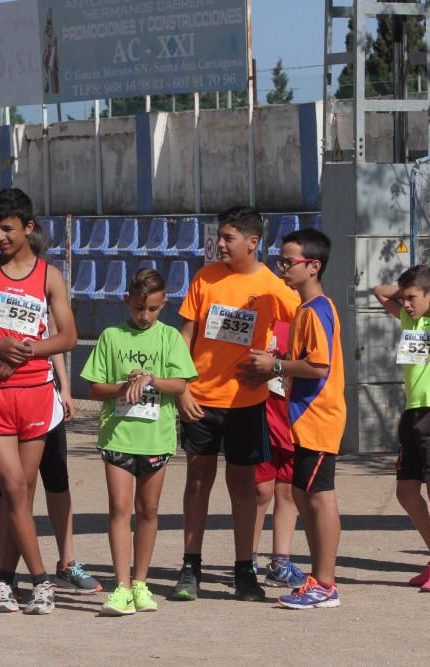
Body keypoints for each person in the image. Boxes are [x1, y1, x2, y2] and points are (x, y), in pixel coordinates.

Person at [0, 227, 101, 609]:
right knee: (10, 490)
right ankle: (25, 578)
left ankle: (42, 569)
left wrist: (59, 384)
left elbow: (59, 338)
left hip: (40, 397)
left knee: (42, 484)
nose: (2, 239)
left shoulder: (49, 279)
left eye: (10, 231)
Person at [171, 206, 299, 602]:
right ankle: (190, 566)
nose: (221, 244)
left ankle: (245, 568)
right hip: (201, 402)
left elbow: (302, 333)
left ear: (252, 242)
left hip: (247, 403)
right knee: (197, 481)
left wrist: (274, 366)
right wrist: (183, 390)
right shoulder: (205, 278)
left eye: (228, 238)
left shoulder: (273, 288)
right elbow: (184, 337)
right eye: (220, 237)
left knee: (243, 487)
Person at [80, 268, 198, 615]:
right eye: (138, 309)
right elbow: (93, 387)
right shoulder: (111, 336)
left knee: (148, 510)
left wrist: (150, 379)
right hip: (118, 435)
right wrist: (123, 385)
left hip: (155, 439)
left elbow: (179, 384)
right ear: (127, 301)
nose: (144, 316)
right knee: (119, 509)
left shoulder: (170, 338)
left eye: (153, 309)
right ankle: (121, 587)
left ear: (165, 305)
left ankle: (142, 583)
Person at [244, 228, 345, 609]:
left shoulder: (317, 309)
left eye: (290, 261)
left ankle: (326, 584)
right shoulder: (307, 309)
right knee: (304, 496)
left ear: (313, 266)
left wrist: (275, 365)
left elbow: (317, 367)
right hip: (304, 418)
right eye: (281, 260)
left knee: (320, 499)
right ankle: (319, 579)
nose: (283, 267)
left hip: (318, 418)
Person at [373, 265, 430, 592]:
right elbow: (379, 292)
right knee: (406, 491)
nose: (407, 303)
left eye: (413, 297)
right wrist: (410, 294)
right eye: (406, 298)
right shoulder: (410, 319)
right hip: (412, 411)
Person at [252, 320, 307, 589]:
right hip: (261, 414)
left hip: (293, 418)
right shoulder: (263, 321)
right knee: (260, 491)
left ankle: (280, 563)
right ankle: (247, 559)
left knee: (287, 492)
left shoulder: (307, 321)